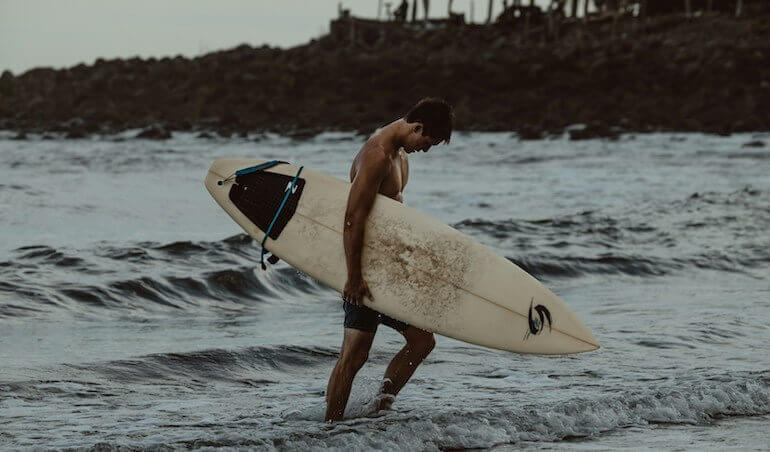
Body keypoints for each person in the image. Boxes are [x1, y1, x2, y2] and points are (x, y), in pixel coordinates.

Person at [325, 98, 453, 422]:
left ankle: (379, 409)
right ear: (417, 126)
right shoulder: (377, 155)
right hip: (364, 272)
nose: (426, 149)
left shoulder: (400, 155)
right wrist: (354, 277)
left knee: (422, 341)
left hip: (388, 271)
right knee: (354, 355)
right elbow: (353, 218)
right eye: (427, 142)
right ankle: (329, 427)